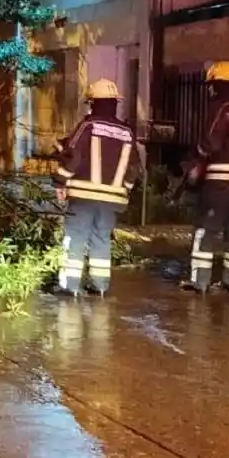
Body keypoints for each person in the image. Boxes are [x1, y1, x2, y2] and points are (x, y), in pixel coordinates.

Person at [50, 78, 142, 298]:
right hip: (113, 200)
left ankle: (70, 285)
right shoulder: (127, 132)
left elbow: (74, 157)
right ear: (115, 103)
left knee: (76, 237)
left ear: (92, 102)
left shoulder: (88, 126)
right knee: (101, 239)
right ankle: (100, 286)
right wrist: (125, 188)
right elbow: (134, 168)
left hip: (83, 195)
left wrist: (60, 181)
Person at [182, 61, 229, 294]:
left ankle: (200, 282)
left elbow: (211, 143)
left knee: (205, 230)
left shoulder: (221, 109)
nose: (209, 90)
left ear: (217, 85)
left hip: (220, 183)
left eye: (211, 85)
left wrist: (195, 159)